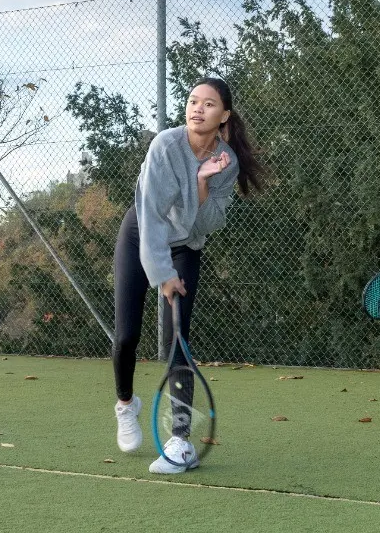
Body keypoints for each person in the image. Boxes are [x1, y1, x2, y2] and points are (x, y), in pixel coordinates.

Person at [112, 77, 263, 472]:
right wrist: (162, 273)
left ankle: (179, 442)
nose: (197, 108)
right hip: (141, 233)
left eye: (209, 104)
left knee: (176, 338)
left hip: (186, 247)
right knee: (126, 334)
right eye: (193, 101)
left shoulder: (225, 162)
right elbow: (154, 215)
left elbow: (206, 225)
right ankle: (126, 404)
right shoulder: (165, 145)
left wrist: (203, 181)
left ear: (224, 115)